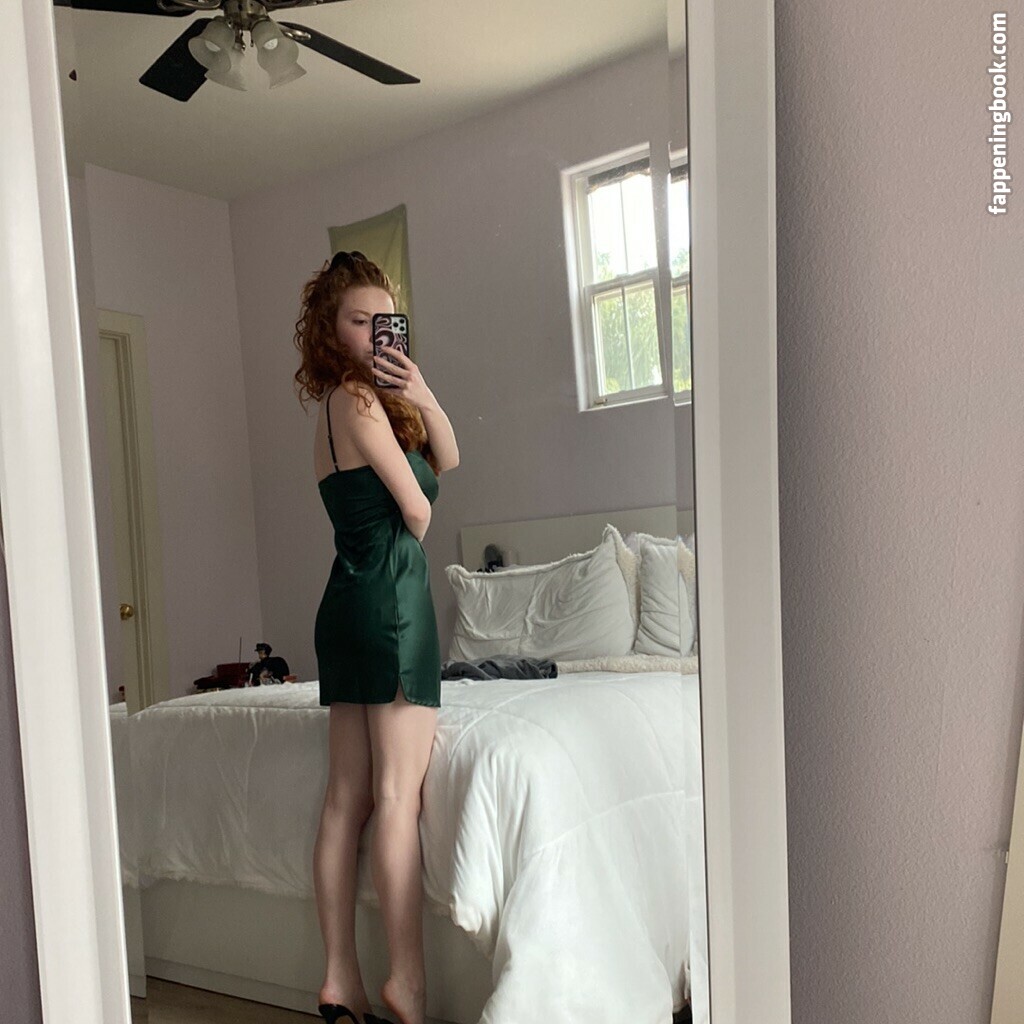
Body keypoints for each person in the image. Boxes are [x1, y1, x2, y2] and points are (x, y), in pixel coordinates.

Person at [293, 250, 459, 1024]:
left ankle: (338, 979)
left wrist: (420, 391)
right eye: (358, 321)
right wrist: (407, 542)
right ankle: (407, 983)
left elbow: (447, 454)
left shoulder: (338, 406)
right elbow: (419, 505)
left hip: (344, 603)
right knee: (396, 796)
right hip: (391, 601)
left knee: (346, 799)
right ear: (331, 330)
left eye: (383, 321)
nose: (373, 334)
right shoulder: (359, 399)